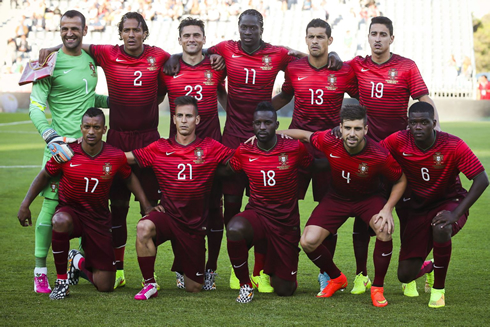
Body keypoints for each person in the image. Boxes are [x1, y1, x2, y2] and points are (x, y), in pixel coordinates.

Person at [165, 8, 341, 292]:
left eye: (253, 27)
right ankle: (237, 271)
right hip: (234, 139)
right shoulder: (225, 48)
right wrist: (173, 56)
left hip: (267, 139)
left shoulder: (277, 53)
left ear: (261, 27)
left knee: (271, 204)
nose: (248, 32)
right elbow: (196, 48)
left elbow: (302, 60)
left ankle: (263, 270)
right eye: (243, 27)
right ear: (238, 27)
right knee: (231, 206)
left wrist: (333, 56)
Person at [40, 12, 173, 288]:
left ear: (145, 33)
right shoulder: (108, 53)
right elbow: (78, 44)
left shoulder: (159, 56)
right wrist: (53, 48)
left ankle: (150, 273)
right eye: (127, 30)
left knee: (152, 209)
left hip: (149, 141)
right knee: (118, 209)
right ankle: (119, 268)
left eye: (137, 30)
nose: (132, 34)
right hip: (118, 141)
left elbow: (165, 83)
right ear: (120, 33)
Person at [18, 108, 156, 300]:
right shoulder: (67, 153)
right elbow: (44, 175)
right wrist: (25, 204)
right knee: (59, 220)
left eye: (96, 127)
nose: (91, 131)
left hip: (98, 220)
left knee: (105, 285)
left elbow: (129, 178)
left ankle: (77, 261)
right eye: (87, 127)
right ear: (81, 128)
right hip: (72, 213)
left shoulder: (115, 156)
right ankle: (61, 282)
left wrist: (147, 205)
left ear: (104, 129)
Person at [346, 16, 440, 296]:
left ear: (391, 38)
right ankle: (361, 275)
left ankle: (409, 274)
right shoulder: (357, 65)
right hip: (366, 155)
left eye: (382, 34)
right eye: (373, 33)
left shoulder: (406, 66)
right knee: (363, 216)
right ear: (368, 37)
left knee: (409, 215)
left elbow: (424, 99)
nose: (377, 38)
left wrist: (439, 130)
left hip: (400, 154)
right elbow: (329, 62)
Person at [280, 105, 407, 307]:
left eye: (357, 129)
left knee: (384, 230)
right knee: (308, 241)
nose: (352, 133)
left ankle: (377, 288)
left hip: (368, 199)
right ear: (340, 127)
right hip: (337, 198)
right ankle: (336, 278)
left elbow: (400, 179)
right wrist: (274, 133)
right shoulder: (329, 140)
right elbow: (304, 135)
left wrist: (387, 209)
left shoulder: (379, 154)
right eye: (348, 128)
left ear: (366, 129)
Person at [271, 18, 358, 293]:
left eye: (321, 37)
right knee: (285, 209)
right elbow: (284, 96)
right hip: (296, 148)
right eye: (311, 37)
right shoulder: (294, 68)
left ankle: (326, 272)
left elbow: (361, 99)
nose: (315, 41)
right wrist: (257, 111)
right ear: (305, 39)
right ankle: (286, 266)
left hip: (330, 150)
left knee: (329, 212)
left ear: (330, 41)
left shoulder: (343, 71)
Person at [27, 10, 108, 294]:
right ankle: (40, 271)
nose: (69, 32)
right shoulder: (48, 61)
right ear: (59, 29)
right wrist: (49, 136)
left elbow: (86, 96)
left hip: (90, 149)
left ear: (85, 30)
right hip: (61, 148)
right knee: (50, 209)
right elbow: (36, 106)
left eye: (75, 28)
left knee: (91, 207)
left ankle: (78, 262)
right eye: (64, 28)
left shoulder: (91, 60)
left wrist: (119, 101)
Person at [380, 102, 488, 307]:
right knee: (405, 275)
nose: (418, 127)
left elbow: (482, 179)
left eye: (424, 122)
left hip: (448, 201)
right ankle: (429, 267)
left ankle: (438, 290)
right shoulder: (398, 140)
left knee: (441, 227)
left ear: (434, 124)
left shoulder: (453, 145)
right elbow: (373, 152)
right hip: (415, 207)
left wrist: (455, 214)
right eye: (414, 123)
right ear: (408, 125)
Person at [126, 96, 234, 300]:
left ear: (198, 120)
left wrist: (262, 147)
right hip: (168, 217)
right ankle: (149, 283)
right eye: (180, 116)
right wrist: (85, 150)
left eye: (189, 116)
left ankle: (185, 266)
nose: (184, 120)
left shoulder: (210, 147)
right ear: (174, 119)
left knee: (193, 288)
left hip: (194, 227)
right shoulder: (159, 147)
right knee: (143, 227)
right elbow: (124, 158)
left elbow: (239, 160)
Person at [226, 102, 326, 303]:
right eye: (258, 123)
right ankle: (245, 285)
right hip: (258, 214)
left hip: (285, 222)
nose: (262, 127)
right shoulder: (244, 150)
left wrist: (338, 157)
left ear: (276, 124)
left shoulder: (294, 148)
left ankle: (272, 267)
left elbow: (313, 165)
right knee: (235, 228)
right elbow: (227, 169)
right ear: (252, 125)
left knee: (285, 289)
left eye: (267, 123)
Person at [158, 17, 227, 290]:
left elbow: (224, 95)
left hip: (212, 149)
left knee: (214, 210)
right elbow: (151, 100)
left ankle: (211, 268)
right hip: (179, 152)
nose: (191, 39)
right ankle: (182, 265)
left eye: (197, 35)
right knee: (180, 211)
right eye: (186, 35)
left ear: (204, 39)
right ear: (179, 40)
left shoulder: (216, 66)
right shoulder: (168, 68)